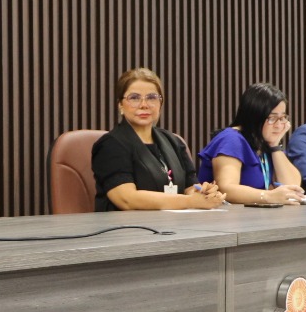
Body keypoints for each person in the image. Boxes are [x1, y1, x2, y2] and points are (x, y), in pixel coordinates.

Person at [91, 67, 224, 211]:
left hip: (174, 223)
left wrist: (203, 194)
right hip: (130, 224)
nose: (144, 105)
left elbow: (190, 187)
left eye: (151, 97)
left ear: (161, 103)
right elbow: (127, 199)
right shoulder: (110, 145)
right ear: (120, 105)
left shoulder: (173, 141)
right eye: (134, 98)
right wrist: (189, 201)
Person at [197, 82, 305, 206]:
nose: (279, 125)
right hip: (223, 215)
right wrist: (268, 196)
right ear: (255, 116)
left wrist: (275, 146)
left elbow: (293, 186)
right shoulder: (231, 139)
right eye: (272, 118)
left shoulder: (264, 142)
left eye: (282, 118)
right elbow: (226, 188)